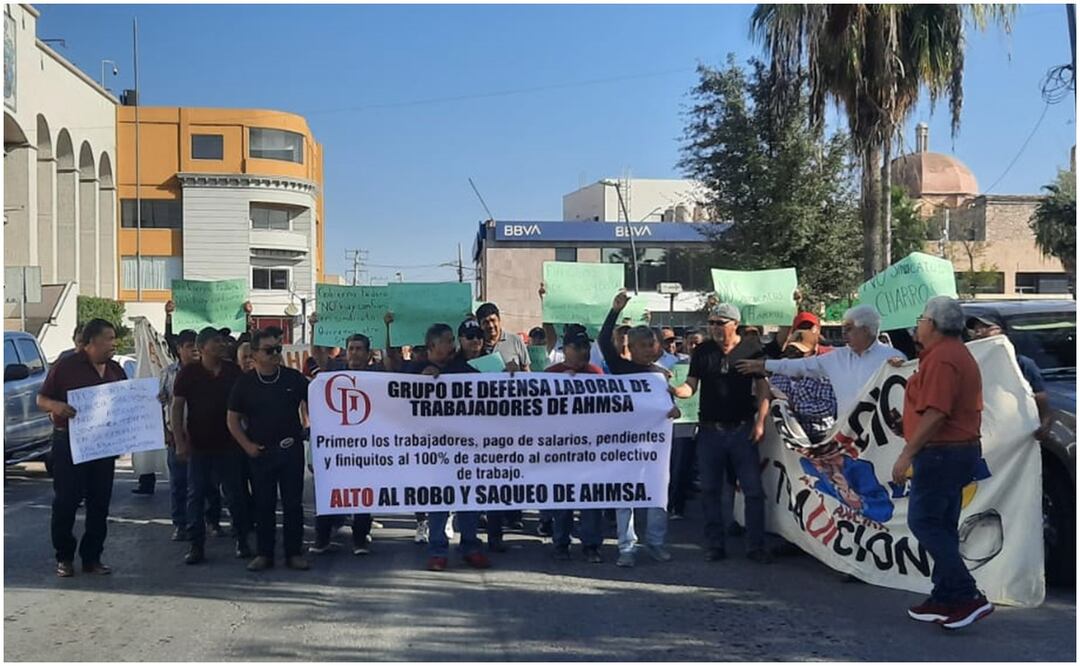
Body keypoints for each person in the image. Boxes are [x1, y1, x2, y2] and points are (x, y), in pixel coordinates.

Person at [892, 297, 992, 630]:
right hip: (950, 450)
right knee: (943, 523)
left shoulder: (944, 358)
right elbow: (932, 409)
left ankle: (966, 594)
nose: (917, 324)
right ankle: (945, 596)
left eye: (920, 318)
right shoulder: (946, 355)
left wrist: (906, 454)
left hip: (941, 452)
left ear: (932, 324)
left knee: (924, 521)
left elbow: (937, 412)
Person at [671, 303, 773, 564]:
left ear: (734, 325)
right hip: (710, 431)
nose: (715, 328)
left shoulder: (751, 348)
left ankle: (755, 545)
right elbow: (691, 386)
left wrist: (761, 421)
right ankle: (715, 544)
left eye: (720, 323)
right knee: (710, 490)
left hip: (742, 428)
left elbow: (763, 389)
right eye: (712, 323)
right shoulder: (703, 351)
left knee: (751, 490)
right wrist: (673, 390)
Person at [37, 319, 127, 577]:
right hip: (70, 442)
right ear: (90, 343)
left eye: (113, 338)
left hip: (103, 445)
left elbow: (125, 401)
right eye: (108, 339)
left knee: (100, 503)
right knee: (66, 501)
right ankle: (64, 557)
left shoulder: (116, 370)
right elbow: (41, 398)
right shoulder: (65, 367)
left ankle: (92, 558)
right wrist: (57, 407)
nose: (113, 344)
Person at [599, 291, 677, 568]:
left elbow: (671, 405)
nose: (647, 349)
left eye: (650, 344)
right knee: (625, 499)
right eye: (641, 344)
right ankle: (626, 547)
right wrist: (614, 311)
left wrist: (674, 410)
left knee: (657, 496)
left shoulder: (660, 375)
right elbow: (602, 341)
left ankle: (655, 543)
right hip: (625, 445)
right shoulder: (621, 368)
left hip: (654, 447)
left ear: (657, 348)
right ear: (630, 347)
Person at [227, 329, 311, 572]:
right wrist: (248, 446)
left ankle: (293, 553)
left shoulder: (293, 379)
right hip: (261, 454)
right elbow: (232, 420)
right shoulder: (244, 383)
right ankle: (265, 554)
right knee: (263, 505)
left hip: (290, 451)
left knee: (293, 504)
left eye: (278, 349)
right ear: (254, 354)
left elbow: (317, 402)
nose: (275, 354)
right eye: (269, 350)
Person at [410, 323, 490, 572]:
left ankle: (470, 547)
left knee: (468, 499)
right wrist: (420, 379)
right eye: (447, 340)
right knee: (438, 501)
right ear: (432, 345)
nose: (452, 344)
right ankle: (438, 550)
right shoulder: (414, 370)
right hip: (433, 449)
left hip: (464, 447)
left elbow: (480, 389)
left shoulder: (462, 369)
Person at [736, 305, 905, 417]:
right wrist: (763, 365)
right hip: (848, 438)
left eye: (849, 329)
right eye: (843, 329)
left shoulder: (892, 358)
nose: (844, 334)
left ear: (866, 330)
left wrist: (901, 369)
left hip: (882, 438)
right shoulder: (838, 357)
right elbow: (801, 366)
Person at [173, 328, 252, 565]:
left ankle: (242, 540)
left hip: (230, 445)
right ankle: (196, 545)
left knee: (235, 494)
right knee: (196, 495)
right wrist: (179, 441)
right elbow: (177, 408)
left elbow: (245, 406)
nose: (222, 345)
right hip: (198, 446)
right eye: (216, 342)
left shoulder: (233, 371)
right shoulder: (189, 373)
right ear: (203, 347)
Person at [311, 333, 379, 557]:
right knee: (329, 492)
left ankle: (360, 540)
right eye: (351, 348)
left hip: (365, 445)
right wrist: (316, 328)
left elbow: (392, 361)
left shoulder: (376, 375)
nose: (355, 353)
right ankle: (322, 539)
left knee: (363, 494)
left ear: (368, 354)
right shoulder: (334, 370)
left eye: (360, 349)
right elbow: (317, 353)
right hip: (336, 445)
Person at [546, 325, 606, 563]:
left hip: (590, 450)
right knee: (563, 498)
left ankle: (591, 545)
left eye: (586, 346)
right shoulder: (551, 375)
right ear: (565, 349)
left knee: (590, 499)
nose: (583, 351)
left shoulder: (597, 374)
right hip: (560, 449)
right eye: (577, 347)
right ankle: (561, 543)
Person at [967, 314, 1053, 441]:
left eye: (985, 327)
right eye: (975, 329)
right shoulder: (968, 363)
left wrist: (1045, 421)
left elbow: (1040, 396)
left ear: (1000, 331)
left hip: (1015, 436)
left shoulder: (1022, 364)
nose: (978, 333)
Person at [161, 329, 201, 542]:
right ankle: (180, 524)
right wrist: (167, 432)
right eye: (189, 346)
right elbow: (161, 404)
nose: (194, 349)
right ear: (179, 349)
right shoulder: (168, 373)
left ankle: (204, 522)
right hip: (177, 436)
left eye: (196, 345)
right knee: (179, 483)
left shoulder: (206, 371)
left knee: (202, 483)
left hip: (202, 437)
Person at [767, 330, 838, 444]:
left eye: (800, 351)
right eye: (791, 350)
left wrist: (796, 407)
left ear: (813, 353)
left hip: (819, 435)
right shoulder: (779, 375)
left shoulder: (823, 376)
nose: (794, 355)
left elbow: (829, 407)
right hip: (788, 435)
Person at [476, 302, 530, 371]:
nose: (490, 325)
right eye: (485, 322)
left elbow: (526, 372)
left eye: (493, 320)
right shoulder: (476, 345)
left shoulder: (515, 340)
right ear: (480, 325)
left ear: (499, 320)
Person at [762, 311, 834, 360]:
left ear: (818, 329)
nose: (805, 331)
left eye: (809, 327)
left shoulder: (830, 354)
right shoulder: (788, 357)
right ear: (794, 332)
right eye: (802, 328)